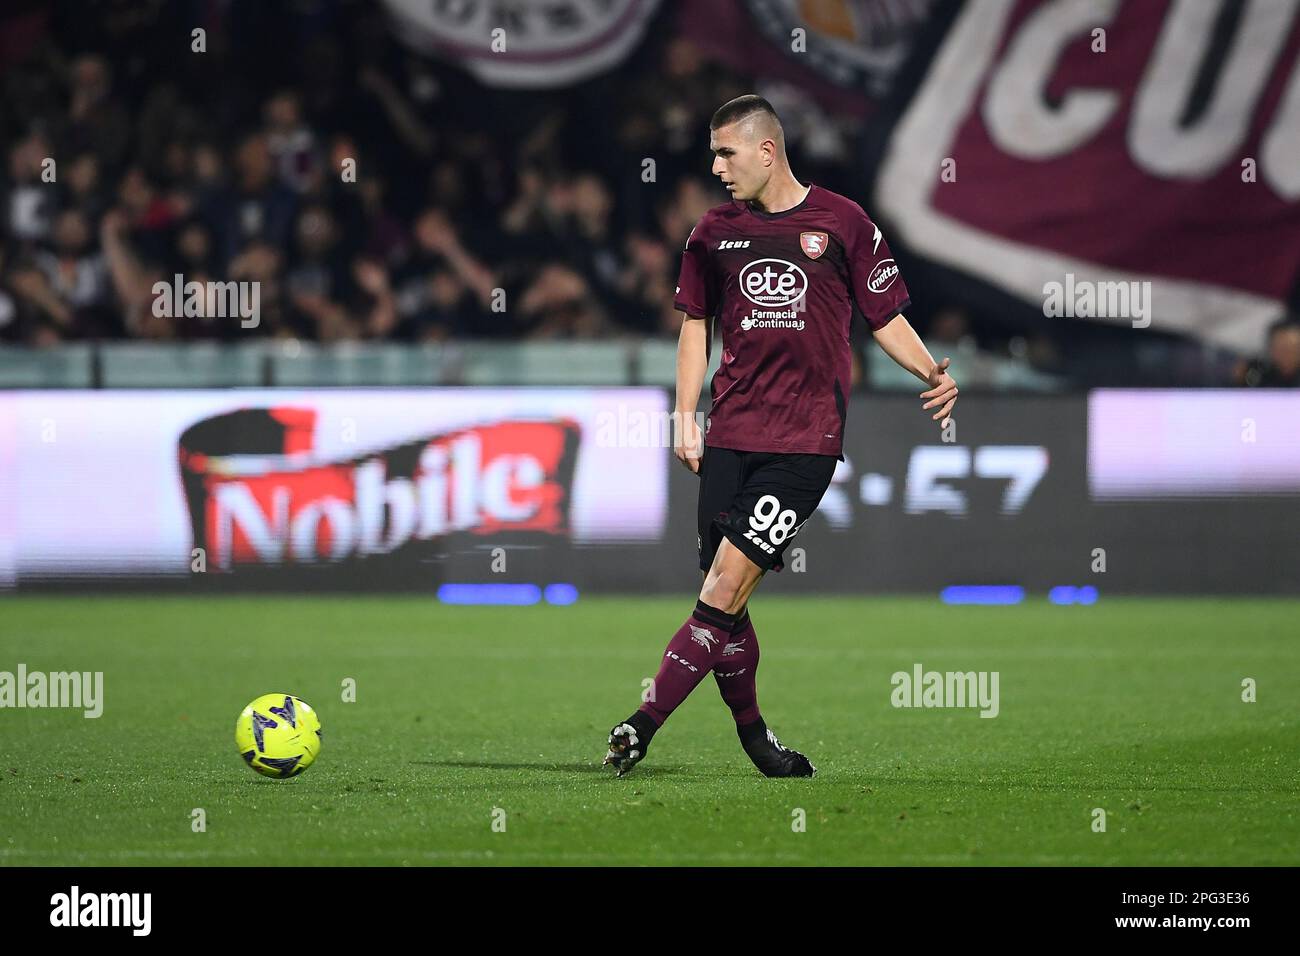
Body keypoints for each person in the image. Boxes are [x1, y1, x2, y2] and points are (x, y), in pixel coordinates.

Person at [603, 95, 959, 777]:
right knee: (723, 599)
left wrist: (931, 372)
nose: (716, 168)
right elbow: (694, 326)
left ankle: (641, 725)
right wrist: (685, 415)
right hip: (730, 434)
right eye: (713, 155)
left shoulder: (844, 223)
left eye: (727, 153)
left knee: (725, 587)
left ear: (767, 150)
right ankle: (757, 740)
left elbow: (883, 316)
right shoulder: (712, 232)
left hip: (804, 442)